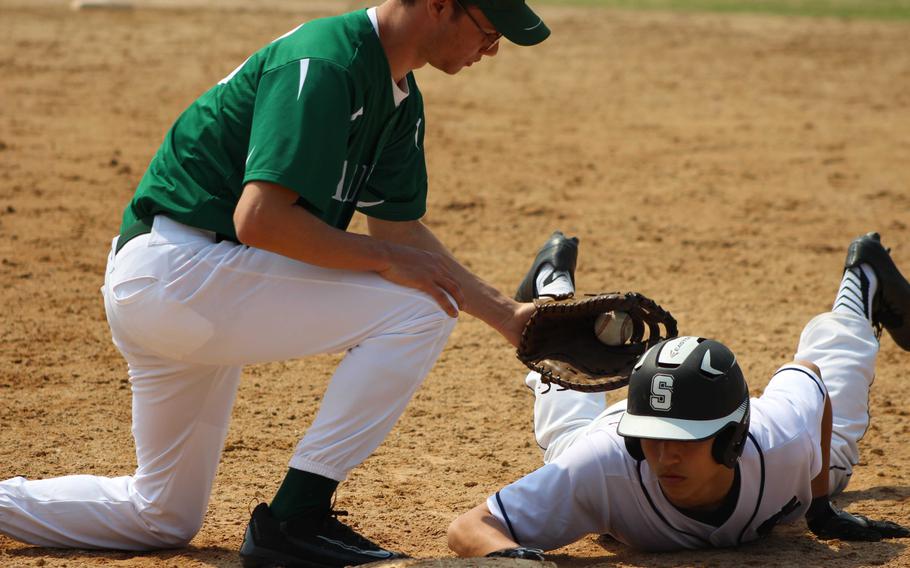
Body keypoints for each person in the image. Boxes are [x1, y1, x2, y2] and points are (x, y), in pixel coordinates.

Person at [0, 1, 549, 566]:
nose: (493, 48)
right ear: (438, 5)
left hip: (197, 284)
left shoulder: (397, 93)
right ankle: (296, 517)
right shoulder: (327, 62)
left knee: (161, 514)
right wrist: (382, 257)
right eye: (488, 30)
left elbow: (397, 228)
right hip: (183, 272)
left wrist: (506, 314)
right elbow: (260, 219)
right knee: (420, 309)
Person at [448, 231, 910, 559]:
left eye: (685, 438)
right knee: (569, 439)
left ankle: (862, 280)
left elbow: (808, 374)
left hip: (772, 446)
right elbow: (471, 528)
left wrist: (822, 507)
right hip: (596, 449)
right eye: (651, 437)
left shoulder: (783, 441)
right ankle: (550, 299)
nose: (664, 456)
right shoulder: (601, 468)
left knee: (833, 462)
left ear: (731, 439)